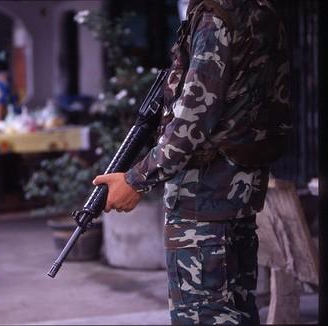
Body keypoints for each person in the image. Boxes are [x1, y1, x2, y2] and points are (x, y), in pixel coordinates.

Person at [92, 0, 291, 324]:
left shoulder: (217, 17)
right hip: (236, 194)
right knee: (234, 312)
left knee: (204, 315)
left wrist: (135, 180)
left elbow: (191, 122)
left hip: (204, 200)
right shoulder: (261, 8)